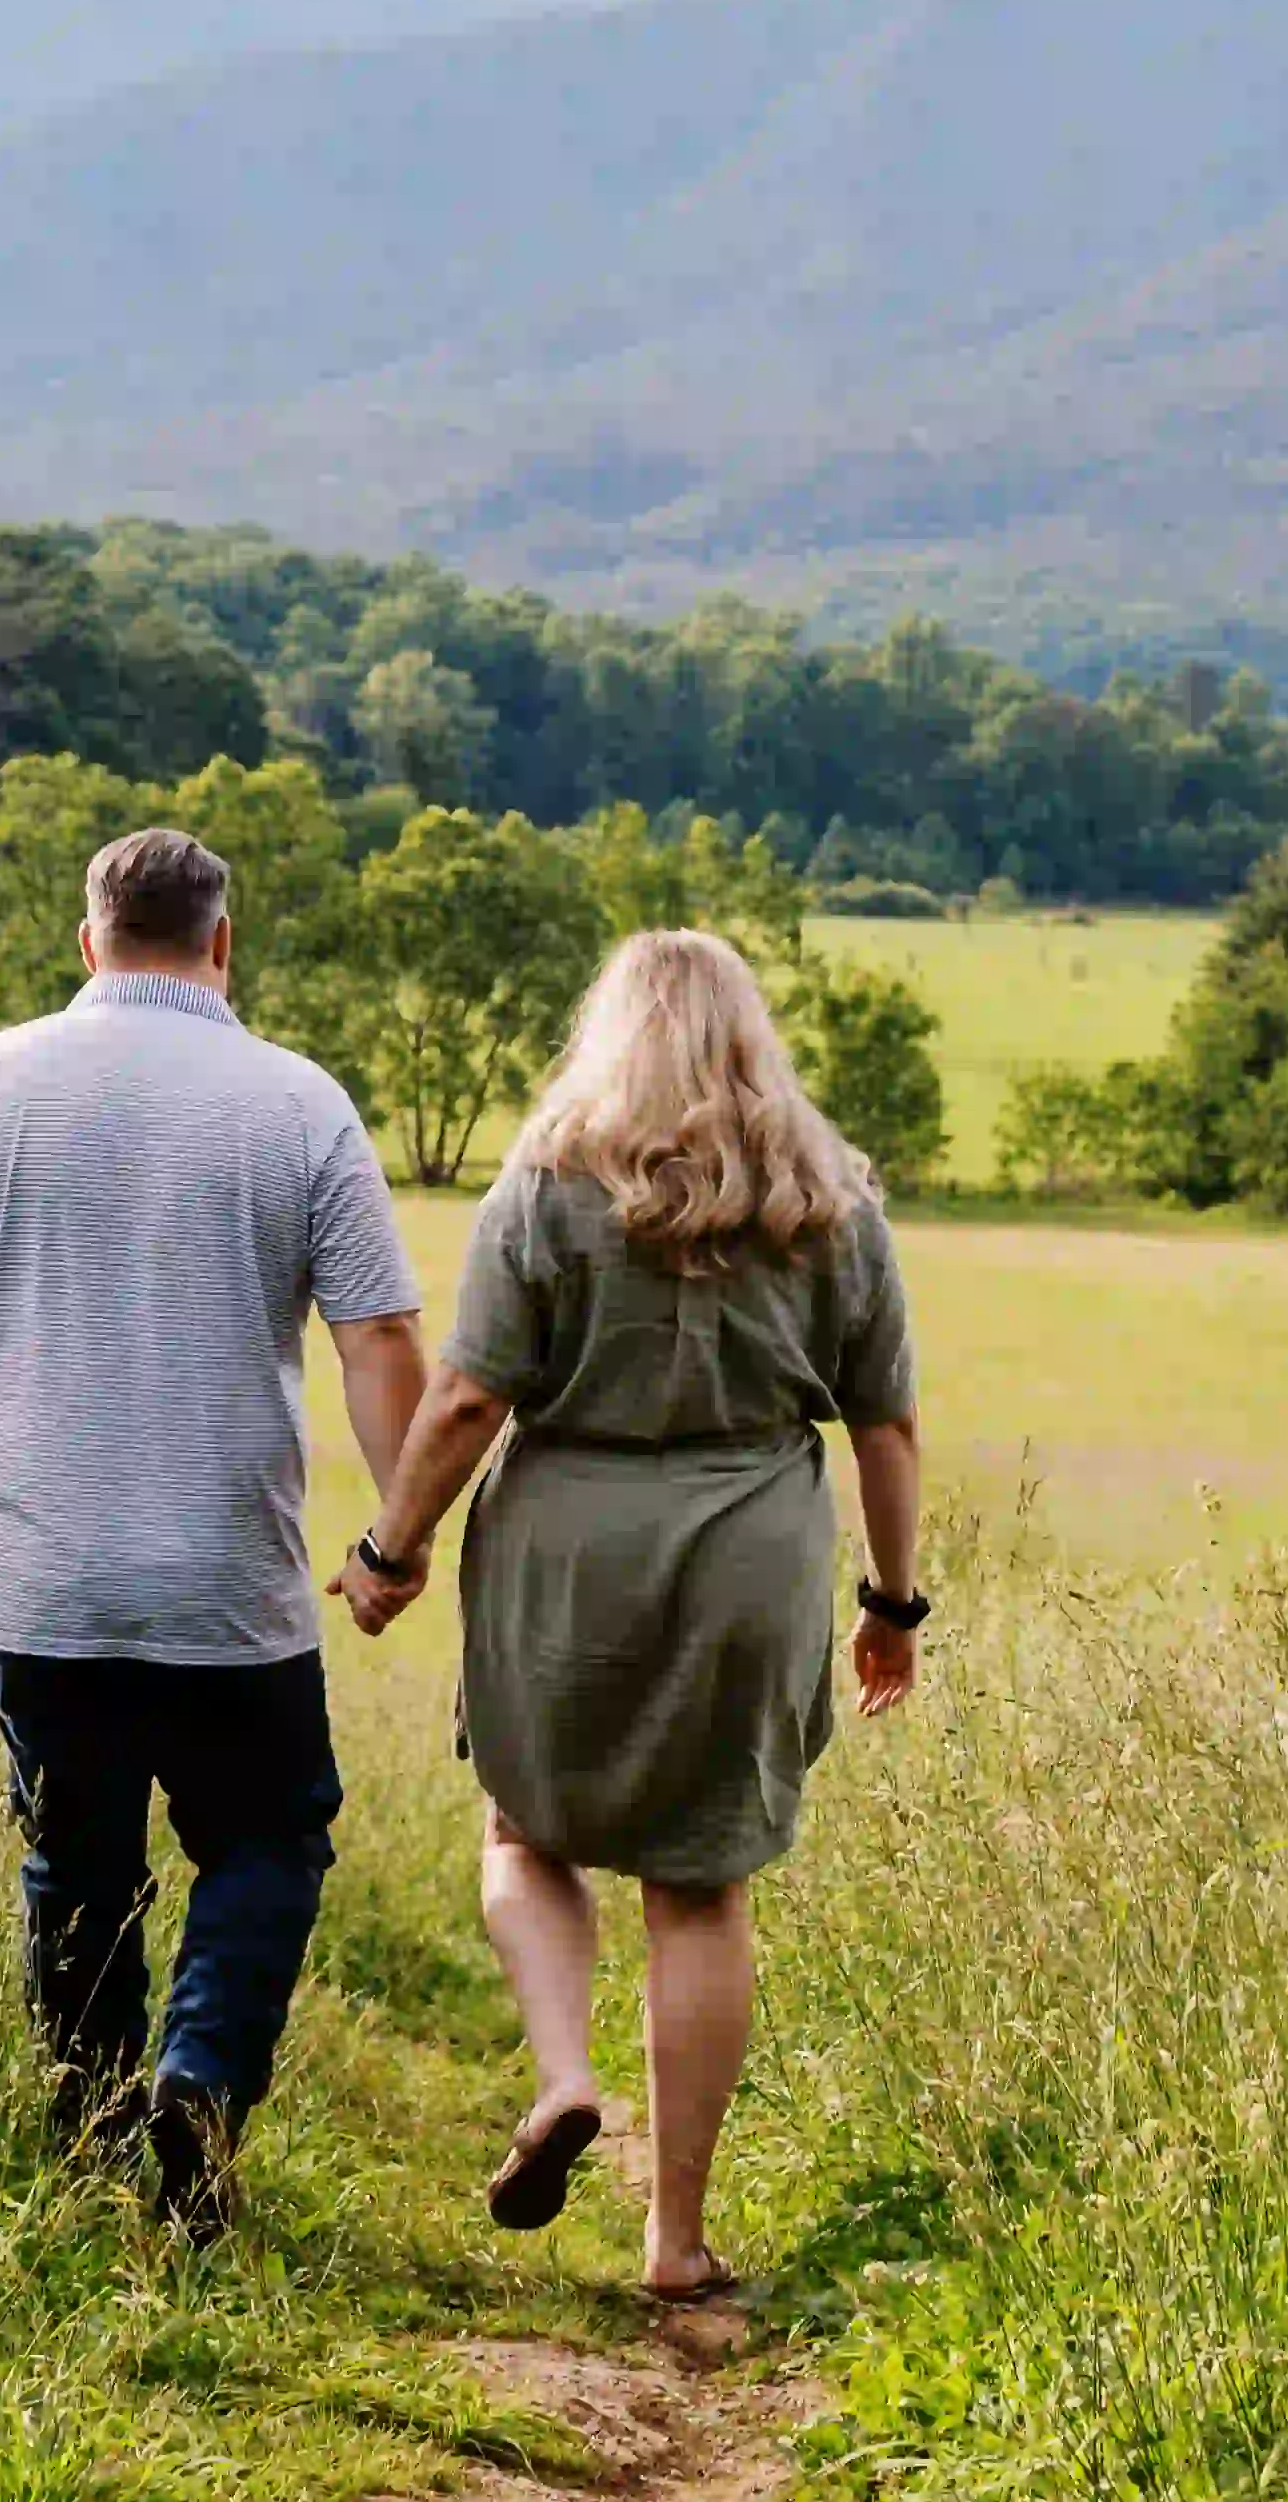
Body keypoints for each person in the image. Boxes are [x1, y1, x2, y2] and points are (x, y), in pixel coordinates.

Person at [0, 825, 425, 2239]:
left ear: (88, 940)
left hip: (46, 1578)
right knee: (268, 1840)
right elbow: (380, 1336)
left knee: (76, 1863)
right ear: (222, 945)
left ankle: (94, 2138)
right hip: (232, 1580)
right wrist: (396, 1534)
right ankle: (203, 2077)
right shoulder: (297, 1103)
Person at [330, 926, 924, 2309]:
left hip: (568, 1547)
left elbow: (471, 1396)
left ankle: (564, 2076)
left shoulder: (545, 1190)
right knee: (701, 1883)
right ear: (749, 1040)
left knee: (524, 1829)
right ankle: (678, 2239)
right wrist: (891, 1603)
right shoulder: (830, 1201)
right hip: (751, 1554)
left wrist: (388, 1548)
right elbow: (885, 1424)